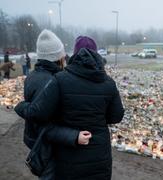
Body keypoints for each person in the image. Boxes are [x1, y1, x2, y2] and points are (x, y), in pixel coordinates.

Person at [16, 35, 125, 180]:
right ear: (97, 54)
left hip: (70, 157)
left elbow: (39, 114)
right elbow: (116, 116)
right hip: (100, 156)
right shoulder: (108, 83)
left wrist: (21, 106)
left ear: (75, 54)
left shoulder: (60, 80)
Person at [14, 30, 92, 179]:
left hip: (34, 139)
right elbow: (45, 124)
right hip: (46, 145)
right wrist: (73, 135)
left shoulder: (32, 76)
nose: (65, 58)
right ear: (57, 57)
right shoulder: (51, 81)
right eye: (62, 55)